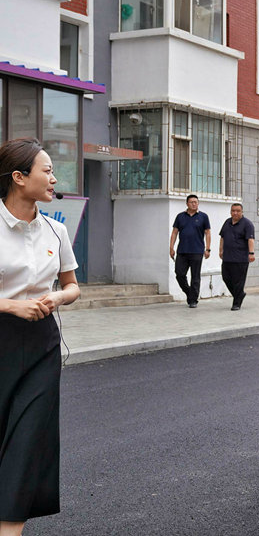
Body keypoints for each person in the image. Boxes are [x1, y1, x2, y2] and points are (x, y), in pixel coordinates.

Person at [0, 138, 80, 536]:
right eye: (47, 170)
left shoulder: (56, 230)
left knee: (28, 439)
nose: (54, 178)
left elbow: (72, 285)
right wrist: (11, 305)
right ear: (19, 177)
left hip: (42, 346)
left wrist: (57, 297)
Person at [169, 194, 211, 308]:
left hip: (197, 251)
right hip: (182, 250)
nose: (194, 204)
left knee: (195, 276)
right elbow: (174, 232)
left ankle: (193, 300)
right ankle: (189, 293)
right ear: (187, 203)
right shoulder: (180, 216)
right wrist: (171, 247)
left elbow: (207, 233)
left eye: (196, 202)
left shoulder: (203, 217)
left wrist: (208, 248)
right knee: (179, 274)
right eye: (191, 202)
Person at [219, 203, 255, 311]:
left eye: (238, 211)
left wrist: (251, 253)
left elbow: (250, 239)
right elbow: (222, 237)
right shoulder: (227, 222)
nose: (235, 213)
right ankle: (239, 295)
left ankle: (236, 303)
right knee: (226, 277)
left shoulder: (247, 224)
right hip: (227, 257)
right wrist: (220, 250)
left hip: (240, 258)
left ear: (242, 212)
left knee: (238, 281)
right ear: (230, 212)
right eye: (233, 211)